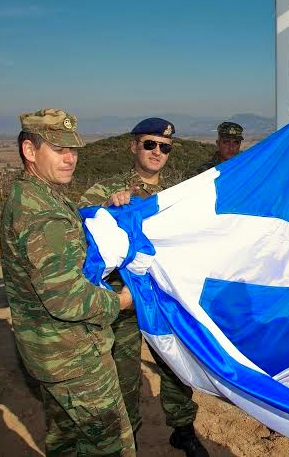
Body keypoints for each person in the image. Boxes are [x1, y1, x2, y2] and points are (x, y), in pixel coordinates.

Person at [0, 109, 136, 456]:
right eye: (58, 149)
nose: (69, 158)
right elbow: (67, 299)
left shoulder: (33, 195)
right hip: (74, 358)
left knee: (65, 442)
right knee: (113, 446)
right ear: (29, 151)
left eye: (73, 150)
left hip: (50, 354)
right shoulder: (42, 213)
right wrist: (119, 302)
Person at [80, 118, 209, 457]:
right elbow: (81, 223)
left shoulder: (176, 197)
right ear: (133, 146)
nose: (157, 151)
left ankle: (182, 429)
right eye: (150, 144)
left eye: (164, 147)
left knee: (175, 368)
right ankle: (130, 440)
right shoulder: (106, 190)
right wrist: (109, 208)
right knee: (124, 377)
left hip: (164, 300)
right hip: (122, 299)